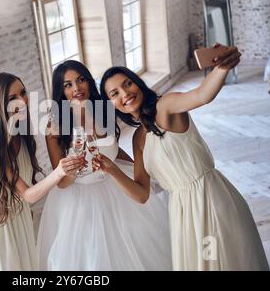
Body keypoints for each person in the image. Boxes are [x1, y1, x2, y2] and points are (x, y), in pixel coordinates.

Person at [95, 45, 270, 270]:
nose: (125, 94)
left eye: (127, 84)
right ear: (111, 103)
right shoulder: (138, 139)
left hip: (211, 200)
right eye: (114, 93)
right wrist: (111, 169)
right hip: (182, 216)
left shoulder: (165, 106)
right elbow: (141, 194)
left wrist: (222, 67)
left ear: (137, 83)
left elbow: (201, 95)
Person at [37, 60, 172, 271]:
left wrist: (141, 169)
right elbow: (61, 183)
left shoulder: (104, 110)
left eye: (81, 80)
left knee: (136, 243)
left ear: (89, 82)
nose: (76, 88)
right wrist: (75, 169)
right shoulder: (55, 126)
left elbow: (115, 150)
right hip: (79, 198)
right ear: (60, 91)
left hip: (114, 184)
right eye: (68, 85)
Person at [0, 73, 86, 270]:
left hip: (20, 215)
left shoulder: (21, 133)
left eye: (22, 93)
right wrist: (58, 172)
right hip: (1, 223)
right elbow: (29, 195)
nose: (22, 101)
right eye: (12, 98)